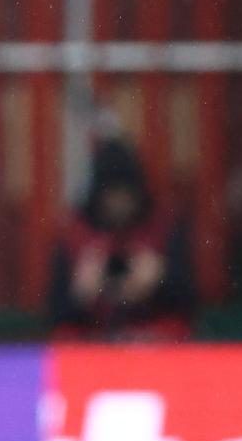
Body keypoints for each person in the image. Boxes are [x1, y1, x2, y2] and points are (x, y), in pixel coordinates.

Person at [46, 136, 196, 341]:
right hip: (92, 348)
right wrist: (81, 293)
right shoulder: (74, 234)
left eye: (125, 194)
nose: (119, 204)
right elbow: (56, 315)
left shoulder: (164, 227)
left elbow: (189, 304)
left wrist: (161, 279)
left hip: (154, 344)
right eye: (111, 195)